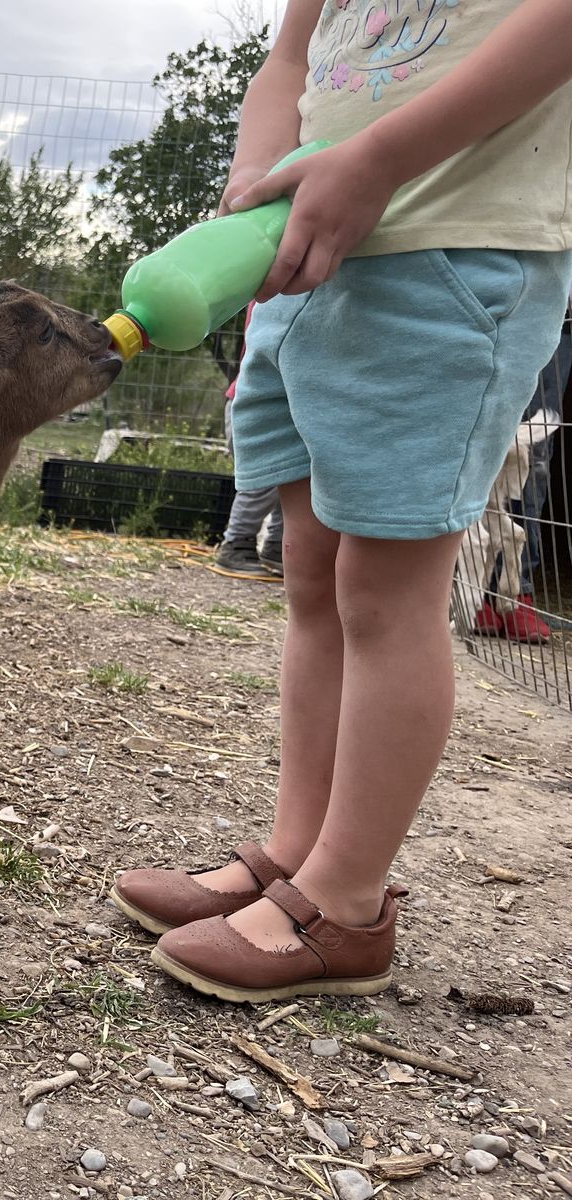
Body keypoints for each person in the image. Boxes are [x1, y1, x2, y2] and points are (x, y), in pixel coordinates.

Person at [109, 0, 572, 1003]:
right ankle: (293, 852)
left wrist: (374, 159)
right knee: (313, 574)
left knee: (384, 591)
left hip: (448, 253)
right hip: (305, 250)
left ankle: (347, 903)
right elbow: (286, 58)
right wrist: (254, 183)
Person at [473, 303, 570, 642]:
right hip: (502, 303)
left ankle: (516, 596)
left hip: (560, 312)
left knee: (533, 455)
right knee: (482, 440)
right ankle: (473, 593)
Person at [215, 305, 285, 578]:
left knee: (292, 479)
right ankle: (236, 544)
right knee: (266, 477)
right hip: (256, 404)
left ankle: (276, 546)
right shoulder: (278, 297)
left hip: (262, 403)